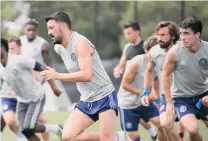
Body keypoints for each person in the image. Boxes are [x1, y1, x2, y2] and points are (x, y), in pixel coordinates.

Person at [43, 11, 127, 141]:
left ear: (63, 26)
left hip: (104, 96)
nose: (49, 32)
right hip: (87, 100)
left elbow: (87, 75)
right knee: (68, 136)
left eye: (51, 28)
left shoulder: (80, 43)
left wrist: (58, 75)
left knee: (107, 139)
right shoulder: (59, 48)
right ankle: (117, 138)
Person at [162, 16, 208, 141]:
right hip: (181, 98)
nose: (182, 37)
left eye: (186, 33)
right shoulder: (174, 52)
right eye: (181, 33)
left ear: (197, 34)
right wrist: (169, 102)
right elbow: (165, 75)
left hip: (204, 95)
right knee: (192, 130)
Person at [0, 38, 63, 141]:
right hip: (22, 100)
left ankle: (56, 129)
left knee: (29, 128)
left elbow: (43, 68)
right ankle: (55, 128)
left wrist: (54, 87)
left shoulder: (18, 60)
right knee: (25, 131)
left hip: (36, 97)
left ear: (2, 49)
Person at [114, 21, 158, 140]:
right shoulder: (127, 48)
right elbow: (122, 63)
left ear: (137, 32)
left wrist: (152, 92)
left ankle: (153, 132)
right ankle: (153, 133)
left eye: (129, 33)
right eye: (125, 34)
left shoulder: (147, 48)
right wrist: (118, 68)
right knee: (134, 127)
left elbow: (153, 73)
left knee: (161, 122)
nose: (127, 36)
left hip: (143, 93)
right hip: (130, 94)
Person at [118, 35, 167, 141]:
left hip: (143, 102)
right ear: (146, 50)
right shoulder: (135, 63)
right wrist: (145, 95)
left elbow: (155, 79)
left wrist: (157, 99)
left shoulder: (158, 61)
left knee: (162, 125)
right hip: (128, 104)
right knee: (134, 137)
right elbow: (125, 84)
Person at [20, 19, 62, 141]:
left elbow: (48, 66)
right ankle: (52, 130)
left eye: (33, 30)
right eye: (29, 30)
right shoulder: (20, 42)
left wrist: (54, 87)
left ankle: (49, 134)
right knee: (36, 118)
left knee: (35, 119)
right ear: (25, 30)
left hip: (37, 84)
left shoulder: (42, 45)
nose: (31, 32)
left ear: (36, 31)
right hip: (22, 84)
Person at [141, 21, 180, 141]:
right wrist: (146, 92)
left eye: (163, 35)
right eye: (158, 35)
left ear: (173, 35)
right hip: (169, 95)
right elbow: (149, 71)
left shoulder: (183, 49)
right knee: (164, 125)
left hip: (191, 94)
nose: (159, 38)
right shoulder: (154, 51)